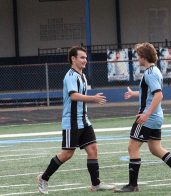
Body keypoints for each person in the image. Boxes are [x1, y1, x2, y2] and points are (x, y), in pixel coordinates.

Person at [36, 46, 115, 194]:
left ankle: (96, 184)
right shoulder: (70, 76)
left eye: (85, 57)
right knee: (67, 154)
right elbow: (73, 96)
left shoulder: (82, 76)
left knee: (93, 150)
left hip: (84, 121)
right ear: (73, 59)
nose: (85, 60)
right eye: (82, 57)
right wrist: (93, 98)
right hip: (71, 122)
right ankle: (43, 178)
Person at [114, 42, 171, 193]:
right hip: (156, 117)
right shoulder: (153, 71)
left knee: (132, 147)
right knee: (156, 149)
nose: (137, 59)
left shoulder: (150, 73)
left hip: (148, 117)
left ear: (143, 57)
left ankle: (132, 185)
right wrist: (134, 94)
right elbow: (150, 93)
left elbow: (158, 94)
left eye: (138, 56)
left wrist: (146, 114)